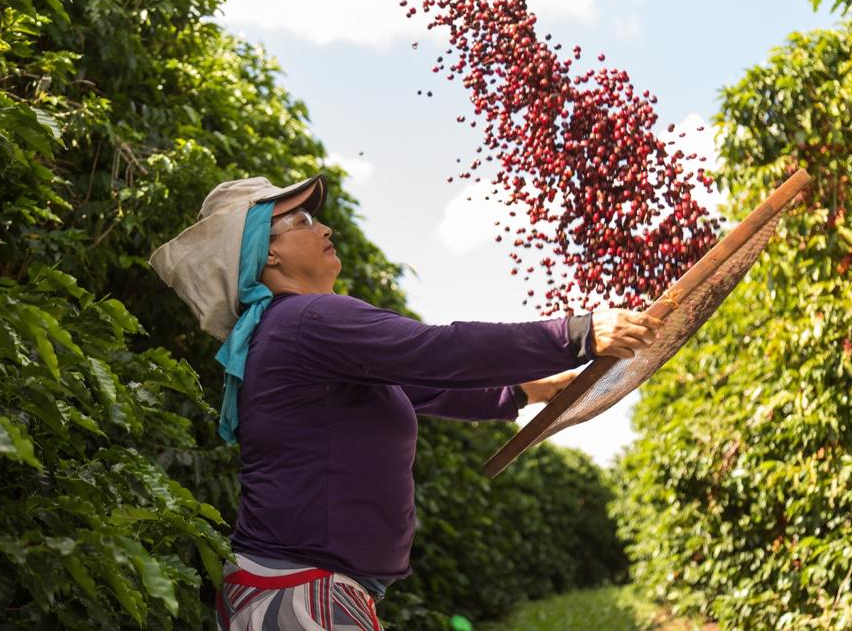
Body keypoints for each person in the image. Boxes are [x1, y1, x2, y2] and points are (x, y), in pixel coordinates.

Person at [150, 174, 662, 631]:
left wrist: (533, 390)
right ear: (268, 252)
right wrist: (578, 332)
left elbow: (427, 387)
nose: (325, 229)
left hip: (305, 590)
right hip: (300, 595)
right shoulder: (307, 320)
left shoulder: (294, 332)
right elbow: (438, 351)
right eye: (303, 220)